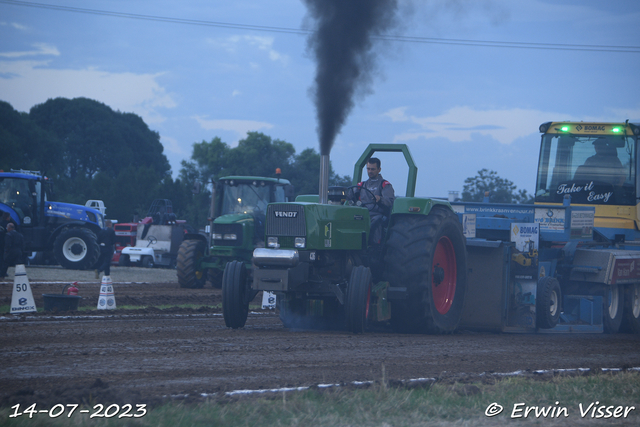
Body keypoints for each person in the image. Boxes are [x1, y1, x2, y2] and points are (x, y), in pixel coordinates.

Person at [349, 157, 395, 245]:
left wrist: (380, 199)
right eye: (368, 168)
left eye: (373, 169)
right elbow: (349, 195)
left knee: (374, 222)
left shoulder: (385, 185)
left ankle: (374, 246)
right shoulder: (361, 185)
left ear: (379, 169)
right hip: (362, 213)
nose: (370, 171)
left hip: (377, 214)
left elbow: (389, 202)